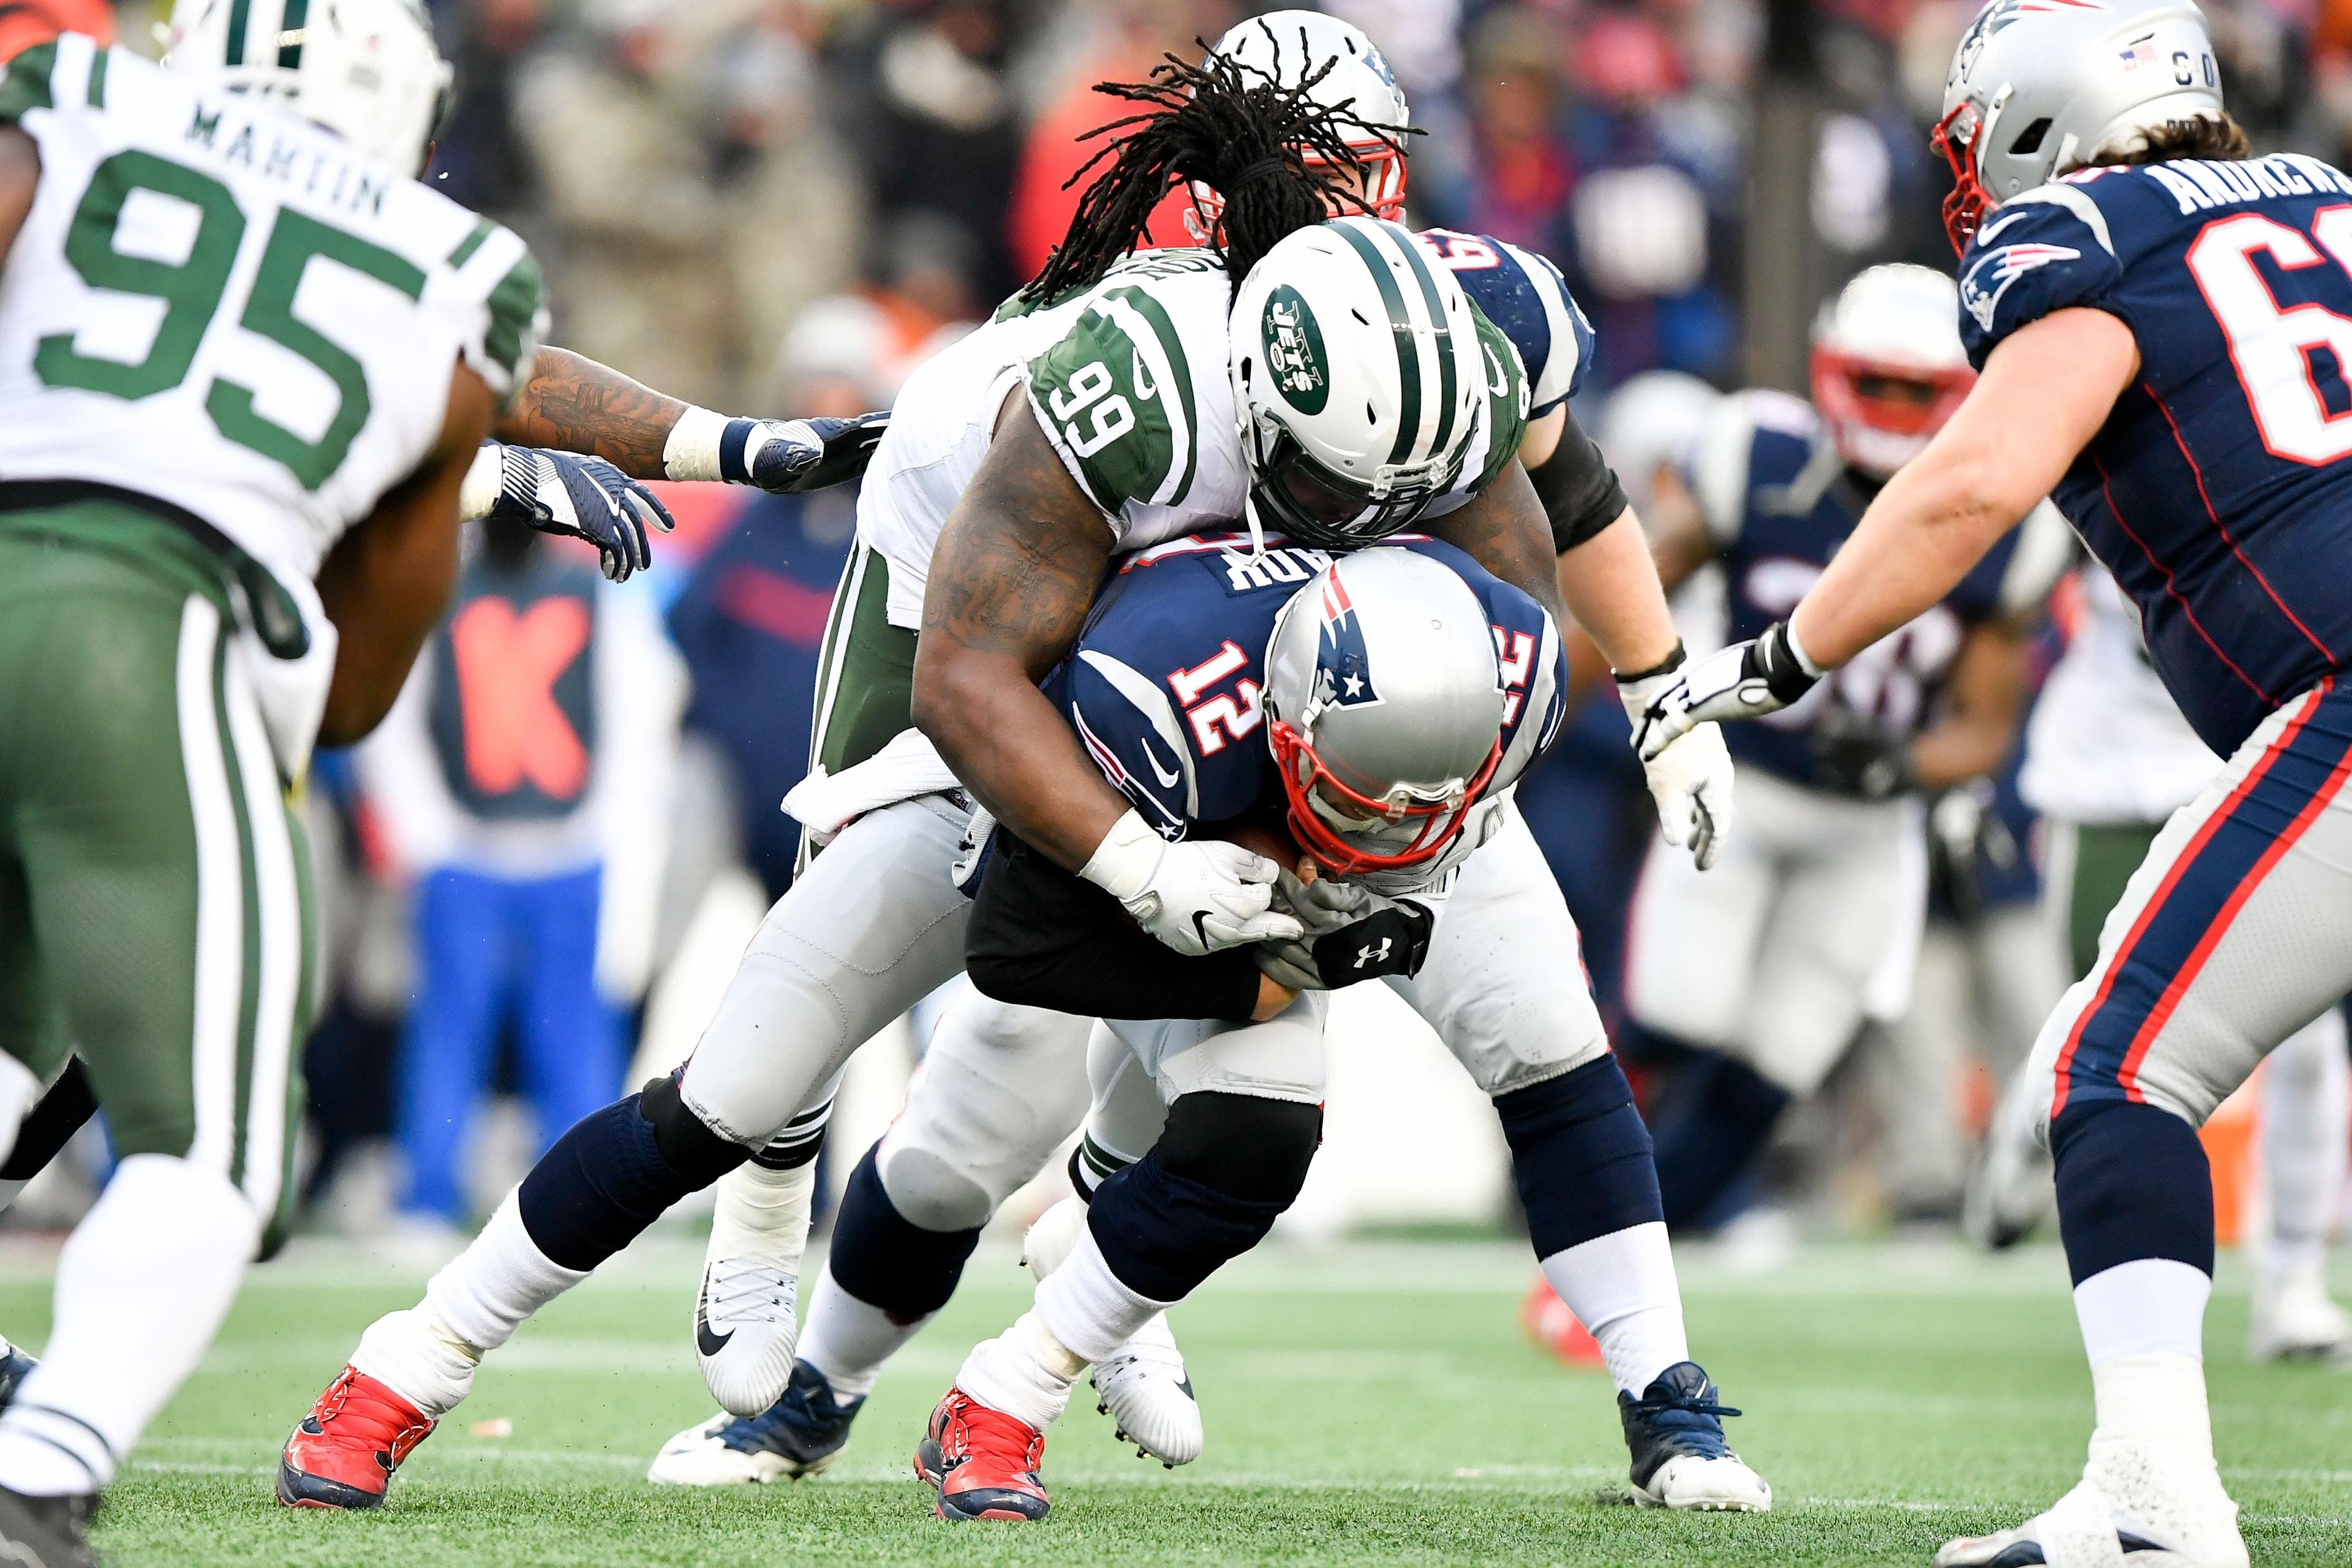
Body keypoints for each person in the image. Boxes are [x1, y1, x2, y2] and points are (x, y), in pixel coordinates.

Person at [276, 33, 1730, 1513]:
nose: (1363, 513)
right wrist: (1142, 865)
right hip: (1012, 729)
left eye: (1408, 486)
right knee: (739, 1075)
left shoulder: (1448, 346)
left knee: (1282, 1110)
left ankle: (1041, 1353)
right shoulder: (1086, 388)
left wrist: (1643, 695)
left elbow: (1536, 572)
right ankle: (421, 1354)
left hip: (1276, 751)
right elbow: (961, 681)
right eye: (1332, 480)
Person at [1634, 2, 2352, 1560]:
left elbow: (1969, 478)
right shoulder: (2322, 197)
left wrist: (1775, 656)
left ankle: (2154, 1500)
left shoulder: (2089, 232)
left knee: (2106, 1065)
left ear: (2034, 121)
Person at [656, 541, 1770, 1522]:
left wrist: (1659, 684)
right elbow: (1015, 904)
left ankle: (1663, 1394)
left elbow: (1563, 496)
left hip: (1428, 763)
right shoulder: (1147, 615)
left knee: (1547, 1050)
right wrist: (1190, 907)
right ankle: (816, 1396)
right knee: (968, 1141)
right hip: (1173, 804)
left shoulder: (1510, 640)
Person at [0, 9, 539, 1561]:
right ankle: (39, 1473)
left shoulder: (81, 96)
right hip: (150, 624)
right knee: (220, 1153)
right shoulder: (461, 271)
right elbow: (361, 685)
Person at [1624, 264, 2067, 1231]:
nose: (1898, 408)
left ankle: (1656, 1241)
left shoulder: (2003, 522)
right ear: (1832, 373)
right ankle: (1575, 1192)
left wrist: (1909, 764)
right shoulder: (1757, 455)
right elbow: (1639, 585)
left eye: (1921, 391)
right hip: (1745, 784)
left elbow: (1985, 727)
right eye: (1881, 384)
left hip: (1870, 824)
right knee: (1677, 1010)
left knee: (1782, 1055)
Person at [1976, 560, 2351, 1360]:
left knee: (2309, 1046)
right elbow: (2002, 601)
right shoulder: (2092, 451)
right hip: (2111, 777)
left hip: (2258, 761)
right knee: (2096, 1027)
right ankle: (2017, 1147)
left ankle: (2291, 1284)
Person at [356, 513, 681, 1239]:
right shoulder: (441, 589)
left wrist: (607, 837)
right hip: (468, 849)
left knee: (571, 1040)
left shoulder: (597, 594)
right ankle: (427, 1199)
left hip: (565, 849)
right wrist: (430, 839)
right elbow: (397, 715)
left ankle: (589, 1212)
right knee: (449, 1034)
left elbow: (639, 716)